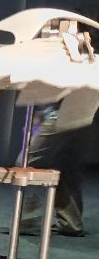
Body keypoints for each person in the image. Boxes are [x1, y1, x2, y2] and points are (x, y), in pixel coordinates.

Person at [12, 89, 96, 237]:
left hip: (65, 112)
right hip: (86, 114)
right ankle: (71, 224)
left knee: (25, 162)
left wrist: (42, 112)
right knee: (67, 167)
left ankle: (31, 218)